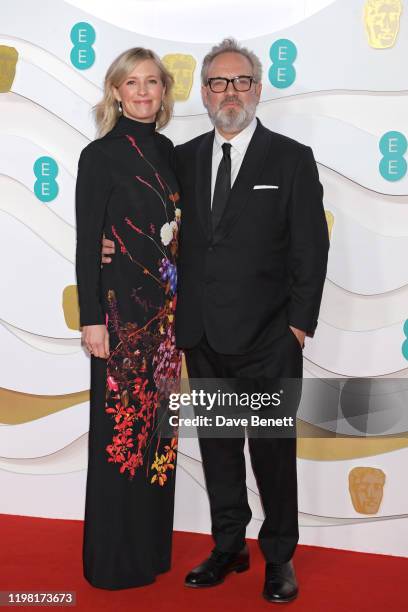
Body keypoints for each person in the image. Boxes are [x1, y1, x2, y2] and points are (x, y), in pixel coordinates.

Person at [102, 38, 329, 603]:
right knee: (222, 449)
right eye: (219, 83)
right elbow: (152, 227)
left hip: (270, 341)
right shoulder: (182, 157)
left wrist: (297, 327)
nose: (231, 92)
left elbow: (311, 249)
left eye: (241, 81)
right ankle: (228, 546)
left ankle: (279, 557)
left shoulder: (291, 157)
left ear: (258, 88)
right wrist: (110, 246)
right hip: (201, 336)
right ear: (203, 93)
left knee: (273, 457)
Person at [75, 47, 182, 590]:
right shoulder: (100, 156)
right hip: (119, 323)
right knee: (120, 438)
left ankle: (150, 553)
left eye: (152, 83)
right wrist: (91, 319)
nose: (142, 91)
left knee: (160, 439)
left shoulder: (172, 153)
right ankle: (112, 562)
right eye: (131, 82)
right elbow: (85, 240)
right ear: (115, 91)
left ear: (164, 91)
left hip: (167, 324)